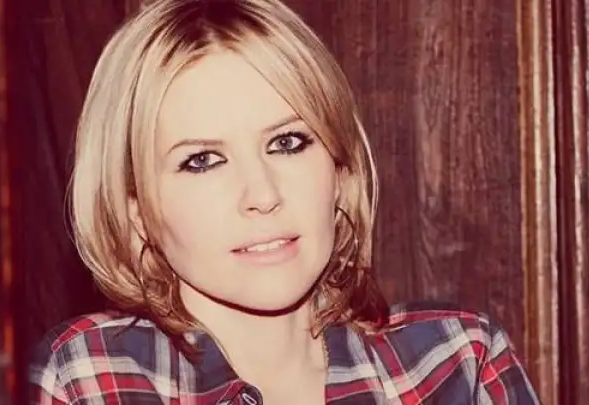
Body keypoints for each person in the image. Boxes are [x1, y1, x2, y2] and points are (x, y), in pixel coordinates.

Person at [29, 0, 541, 404]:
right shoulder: (87, 381)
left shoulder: (459, 362)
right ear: (135, 210)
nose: (263, 195)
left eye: (288, 143)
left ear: (339, 170)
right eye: (202, 160)